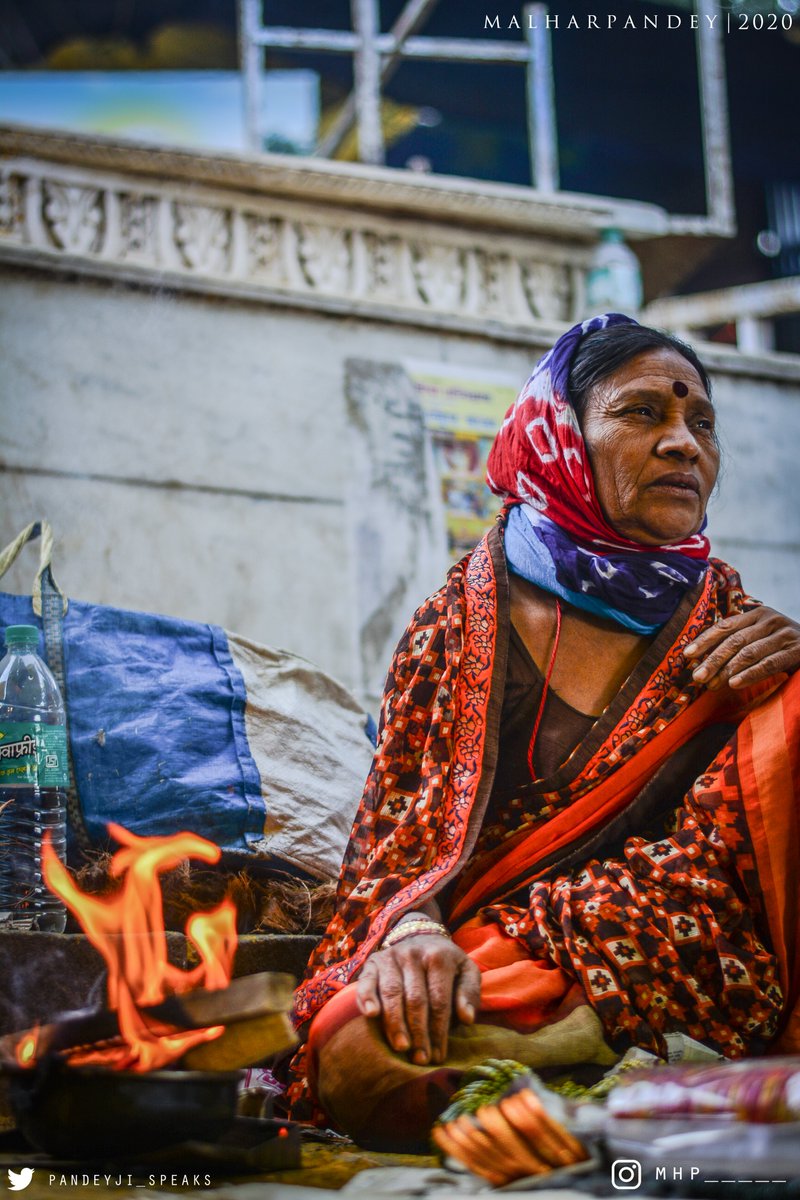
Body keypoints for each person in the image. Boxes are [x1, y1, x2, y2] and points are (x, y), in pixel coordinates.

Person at [288, 314, 800, 1151]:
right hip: (519, 945)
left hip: (690, 944)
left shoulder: (733, 629)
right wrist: (413, 930)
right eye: (643, 413)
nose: (684, 444)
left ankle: (619, 1074)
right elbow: (393, 835)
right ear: (557, 434)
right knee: (355, 1051)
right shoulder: (460, 622)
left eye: (701, 422)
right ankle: (631, 1081)